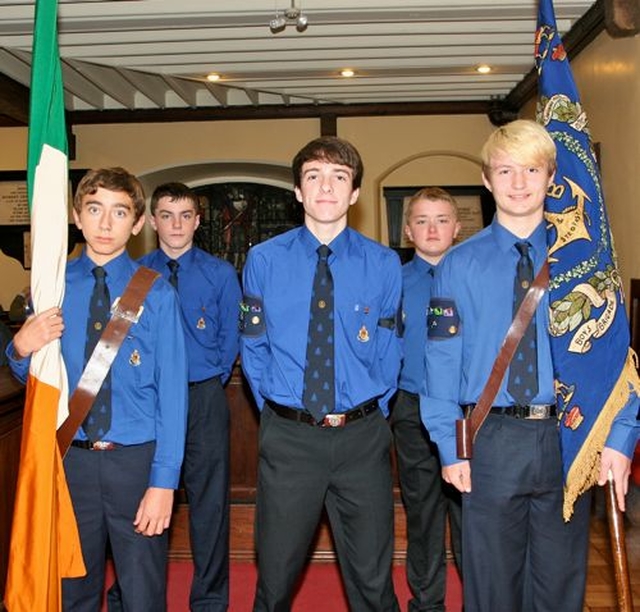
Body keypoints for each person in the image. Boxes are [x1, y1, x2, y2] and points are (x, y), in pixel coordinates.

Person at [421, 119, 638, 612]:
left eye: (532, 170)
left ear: (550, 177)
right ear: (486, 179)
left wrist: (621, 435)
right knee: (492, 590)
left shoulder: (584, 258)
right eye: (505, 170)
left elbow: (615, 355)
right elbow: (439, 367)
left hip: (570, 436)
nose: (518, 183)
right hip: (490, 440)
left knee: (561, 589)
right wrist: (449, 447)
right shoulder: (457, 265)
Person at [6, 167, 188, 611]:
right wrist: (18, 350)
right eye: (94, 209)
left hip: (136, 462)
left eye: (120, 212)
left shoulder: (157, 294)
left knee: (143, 593)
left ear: (138, 223)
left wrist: (164, 482)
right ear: (76, 215)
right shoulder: (51, 288)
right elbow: (35, 383)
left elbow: (174, 397)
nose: (106, 224)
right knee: (73, 591)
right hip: (69, 464)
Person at [240, 135, 403, 612]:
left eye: (339, 177)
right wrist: (277, 406)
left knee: (374, 580)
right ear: (297, 191)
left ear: (354, 193)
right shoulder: (263, 260)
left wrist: (370, 413)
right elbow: (253, 347)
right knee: (274, 576)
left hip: (362, 439)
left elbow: (390, 350)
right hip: (290, 439)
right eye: (313, 176)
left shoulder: (384, 262)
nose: (325, 187)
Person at [140, 182, 241, 611]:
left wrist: (206, 379)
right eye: (166, 214)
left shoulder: (220, 273)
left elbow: (231, 338)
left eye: (185, 215)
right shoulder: (138, 275)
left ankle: (210, 600)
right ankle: (134, 592)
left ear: (198, 221)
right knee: (142, 498)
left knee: (210, 504)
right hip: (149, 402)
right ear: (151, 221)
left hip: (202, 399)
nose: (176, 224)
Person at [390, 187, 462, 612]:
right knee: (423, 513)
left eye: (440, 220)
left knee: (471, 515)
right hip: (413, 408)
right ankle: (427, 603)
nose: (432, 228)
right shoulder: (394, 283)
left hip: (468, 413)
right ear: (408, 230)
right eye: (422, 220)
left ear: (456, 228)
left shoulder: (473, 274)